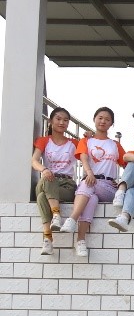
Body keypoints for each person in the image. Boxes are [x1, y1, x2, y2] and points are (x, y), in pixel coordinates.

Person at [58, 106, 125, 258]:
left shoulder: (115, 145)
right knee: (91, 198)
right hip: (90, 182)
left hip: (108, 187)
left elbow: (126, 164)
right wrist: (89, 172)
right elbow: (83, 157)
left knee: (87, 185)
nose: (103, 121)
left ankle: (72, 219)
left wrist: (122, 183)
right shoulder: (86, 140)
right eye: (100, 118)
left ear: (111, 123)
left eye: (107, 119)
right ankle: (80, 241)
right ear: (94, 119)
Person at [32, 107, 77, 256]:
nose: (62, 122)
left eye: (65, 120)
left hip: (66, 185)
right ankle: (56, 215)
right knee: (48, 177)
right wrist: (44, 169)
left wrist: (88, 137)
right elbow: (34, 161)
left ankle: (47, 239)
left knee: (41, 197)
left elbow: (89, 153)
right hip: (47, 180)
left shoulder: (74, 143)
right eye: (58, 119)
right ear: (51, 121)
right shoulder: (44, 141)